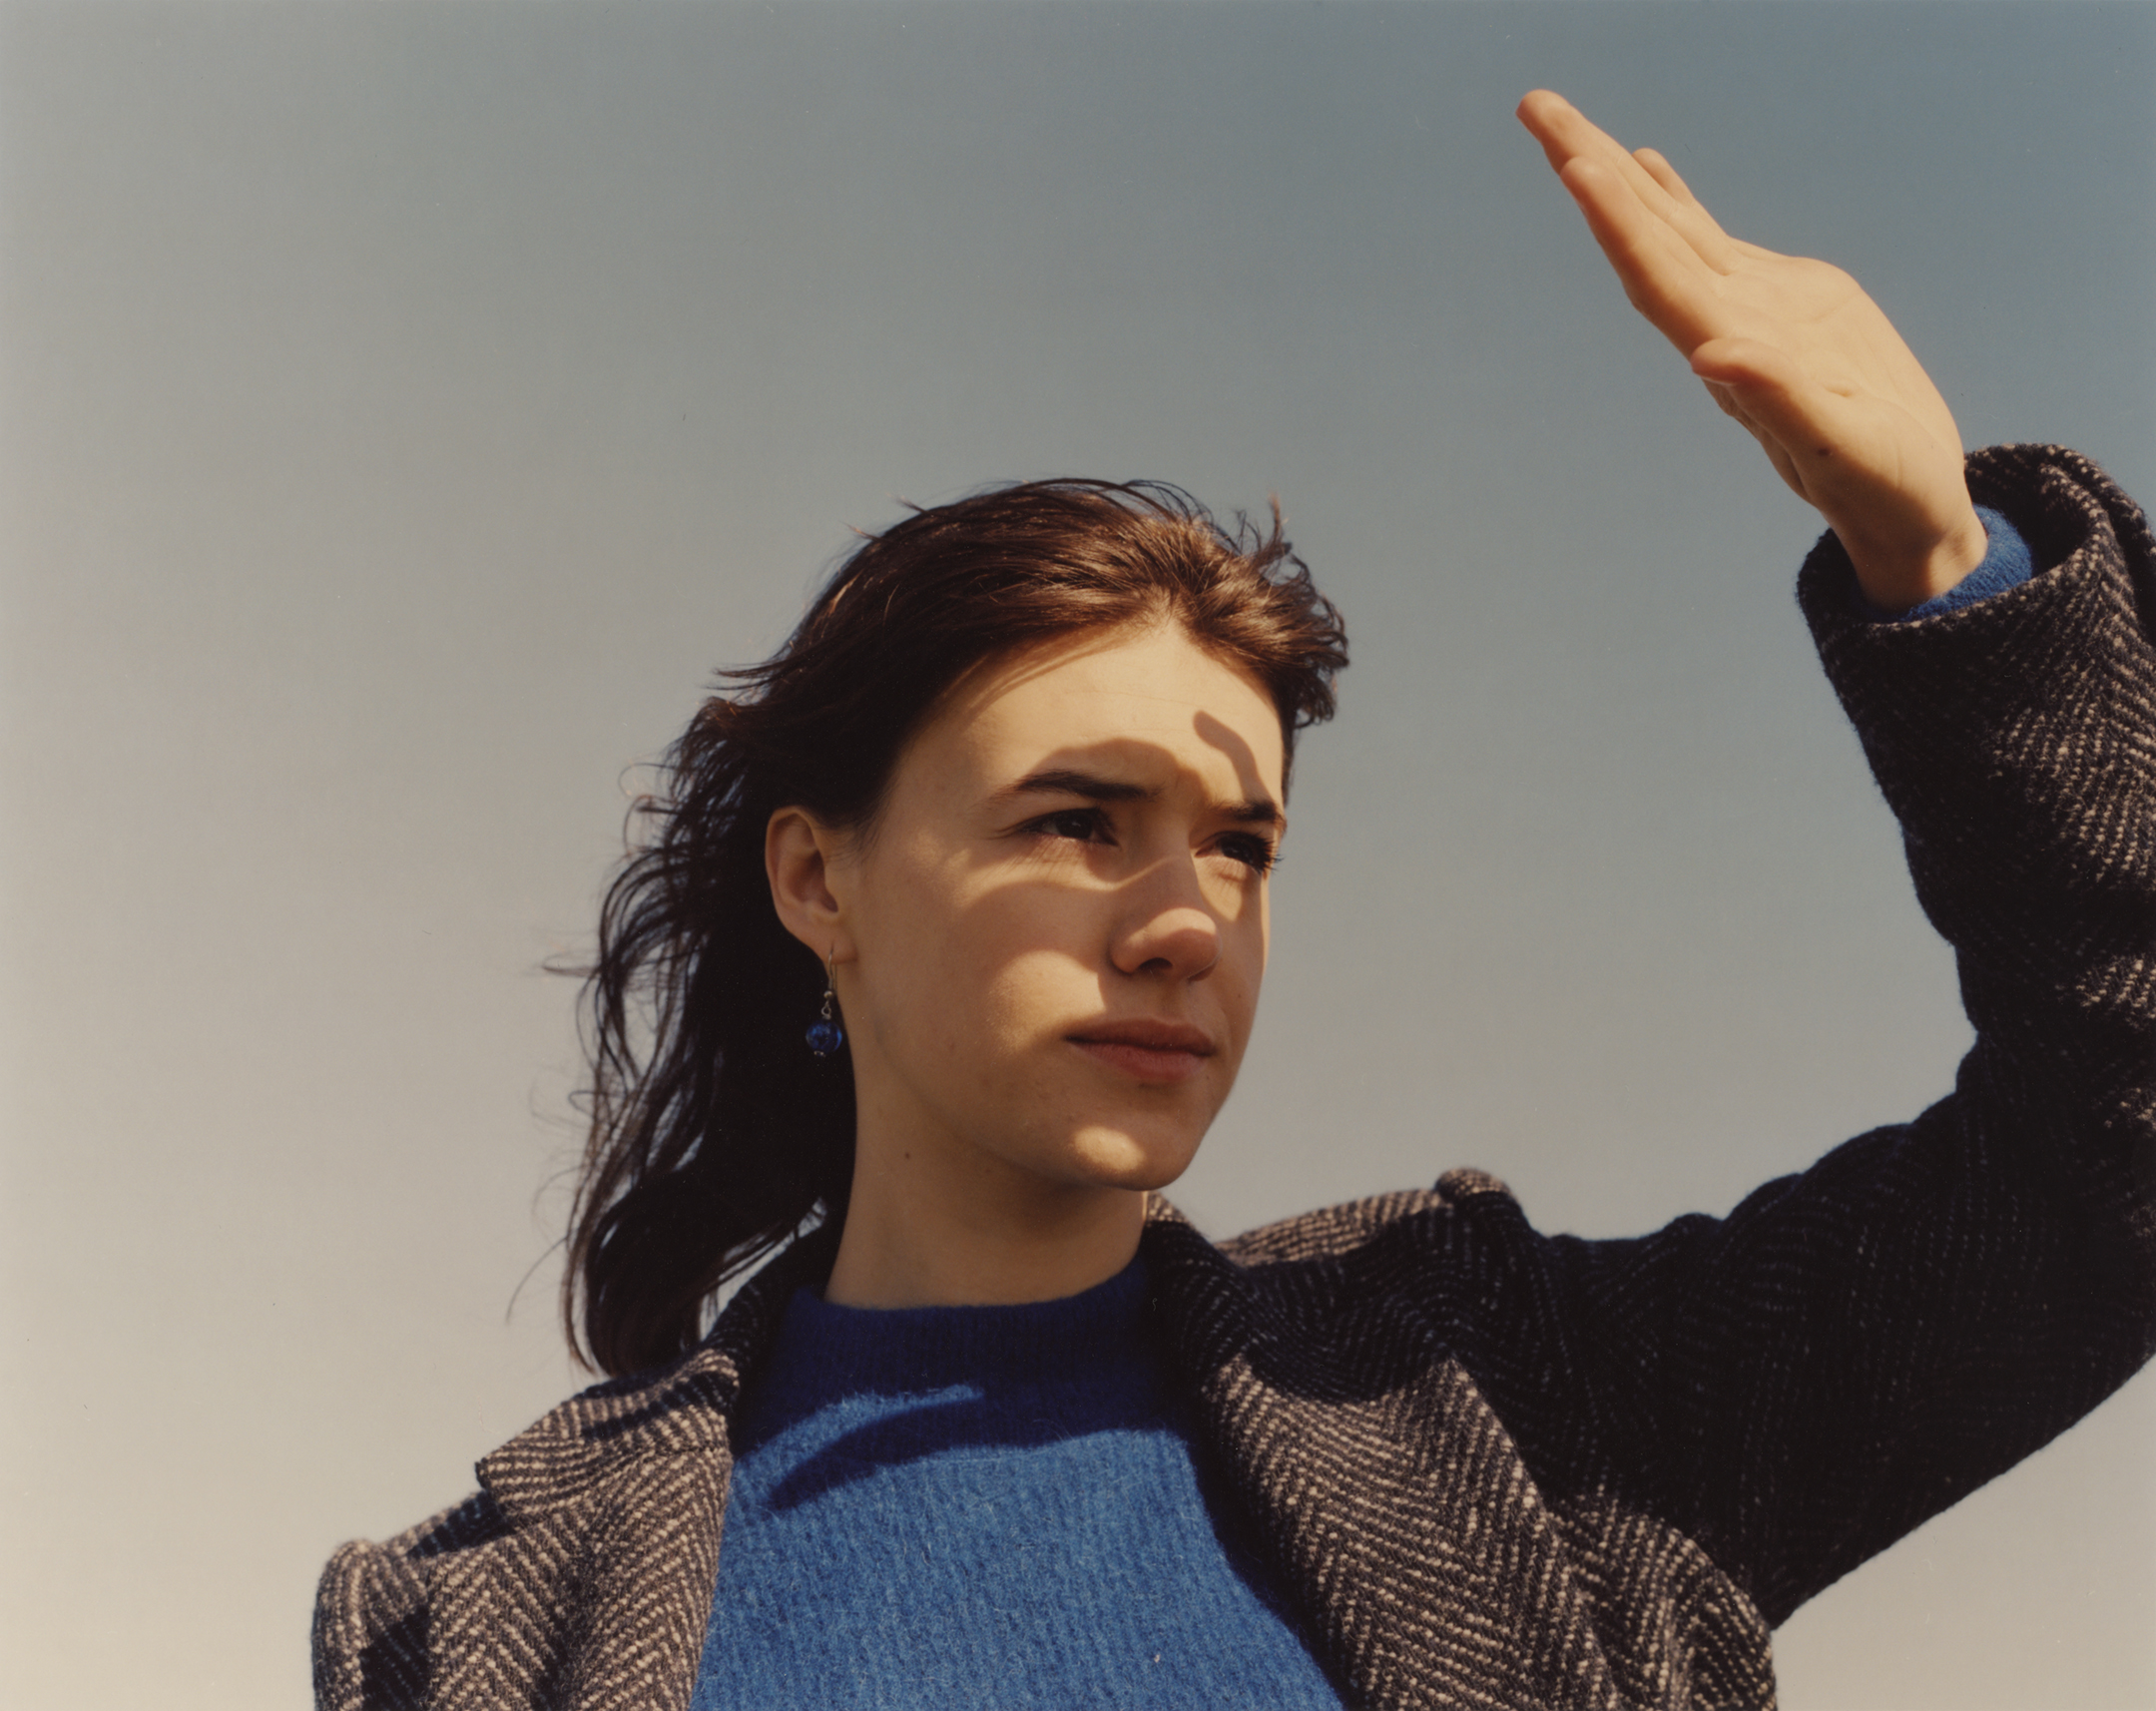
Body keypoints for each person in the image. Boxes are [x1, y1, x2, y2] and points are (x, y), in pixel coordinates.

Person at [312, 92, 2154, 1710]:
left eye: (1243, 843)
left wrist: (1941, 567)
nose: (1188, 916)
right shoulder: (473, 1611)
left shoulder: (1518, 1406)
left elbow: (2115, 1169)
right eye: (1077, 818)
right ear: (820, 874)